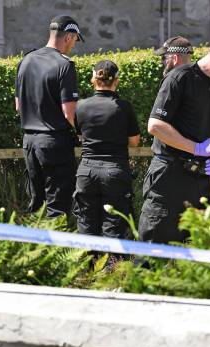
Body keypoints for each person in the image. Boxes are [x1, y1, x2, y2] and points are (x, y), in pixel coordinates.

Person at [138, 32, 210, 244]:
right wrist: (196, 148)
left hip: (206, 176)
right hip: (170, 176)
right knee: (154, 251)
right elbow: (156, 126)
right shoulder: (179, 78)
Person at [15, 15, 84, 218]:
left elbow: (18, 106)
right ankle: (55, 248)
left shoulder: (25, 61)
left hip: (29, 142)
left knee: (36, 204)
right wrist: (82, 133)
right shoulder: (65, 65)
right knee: (58, 207)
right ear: (69, 37)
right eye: (76, 40)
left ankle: (37, 248)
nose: (74, 45)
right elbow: (69, 112)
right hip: (54, 142)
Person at [73, 60, 140, 238]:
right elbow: (134, 141)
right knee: (114, 225)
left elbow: (80, 136)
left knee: (86, 224)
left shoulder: (80, 106)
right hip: (115, 169)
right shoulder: (124, 107)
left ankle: (89, 264)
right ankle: (112, 265)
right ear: (116, 81)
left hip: (86, 170)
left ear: (93, 80)